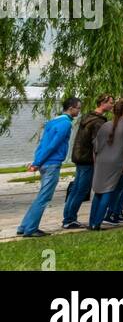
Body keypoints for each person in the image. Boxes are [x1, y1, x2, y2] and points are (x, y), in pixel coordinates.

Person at [16, 96, 81, 237]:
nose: (79, 111)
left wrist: (37, 160)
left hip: (45, 162)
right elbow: (53, 145)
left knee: (41, 196)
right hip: (52, 163)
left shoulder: (52, 122)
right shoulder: (66, 124)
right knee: (44, 197)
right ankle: (31, 229)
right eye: (78, 108)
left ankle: (24, 226)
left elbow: (43, 143)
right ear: (71, 108)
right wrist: (37, 162)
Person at [63, 94, 112, 229]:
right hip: (88, 159)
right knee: (81, 190)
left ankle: (68, 217)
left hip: (79, 156)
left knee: (76, 189)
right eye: (110, 103)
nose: (112, 105)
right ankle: (69, 219)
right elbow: (97, 143)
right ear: (103, 103)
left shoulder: (87, 117)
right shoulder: (98, 122)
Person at [89, 100, 123, 231]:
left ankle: (92, 222)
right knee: (108, 190)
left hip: (101, 160)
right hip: (116, 161)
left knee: (98, 191)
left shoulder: (105, 125)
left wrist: (96, 161)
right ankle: (97, 222)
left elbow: (95, 147)